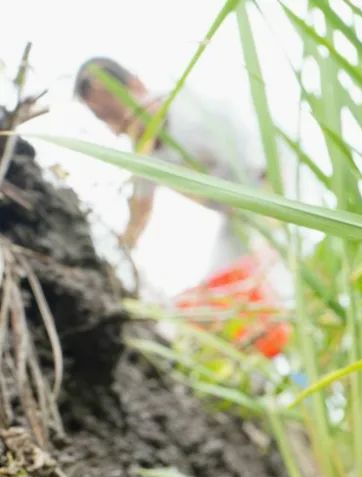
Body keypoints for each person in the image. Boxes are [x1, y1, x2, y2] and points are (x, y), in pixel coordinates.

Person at [74, 57, 288, 358]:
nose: (117, 123)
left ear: (136, 86)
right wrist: (111, 262)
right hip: (237, 219)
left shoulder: (195, 112)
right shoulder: (146, 156)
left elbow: (268, 173)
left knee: (278, 290)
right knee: (218, 293)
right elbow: (138, 217)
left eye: (114, 107)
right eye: (104, 117)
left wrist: (269, 243)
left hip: (283, 203)